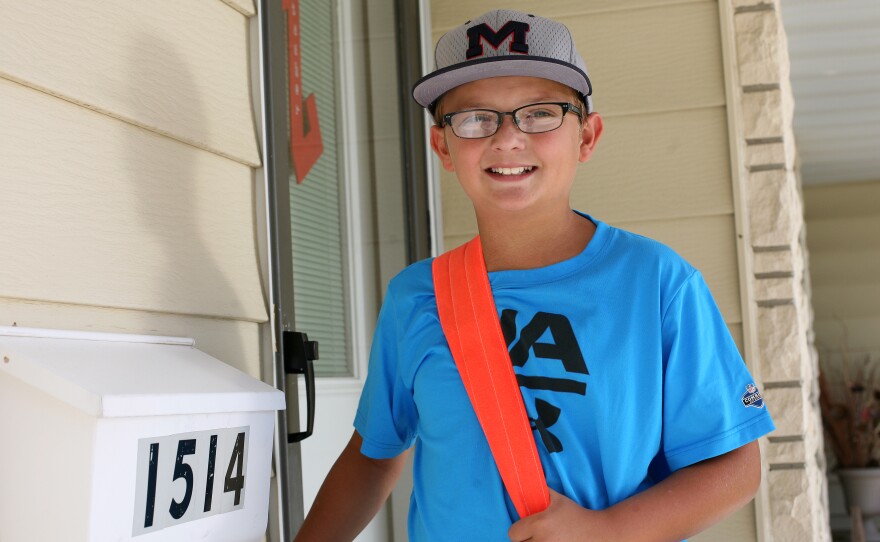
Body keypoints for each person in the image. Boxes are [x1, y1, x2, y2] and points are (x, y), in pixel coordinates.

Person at [294, 9, 775, 542]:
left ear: (587, 137)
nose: (507, 138)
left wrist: (605, 531)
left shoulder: (657, 284)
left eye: (541, 114)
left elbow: (735, 467)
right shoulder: (416, 297)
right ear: (442, 147)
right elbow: (373, 459)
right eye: (475, 118)